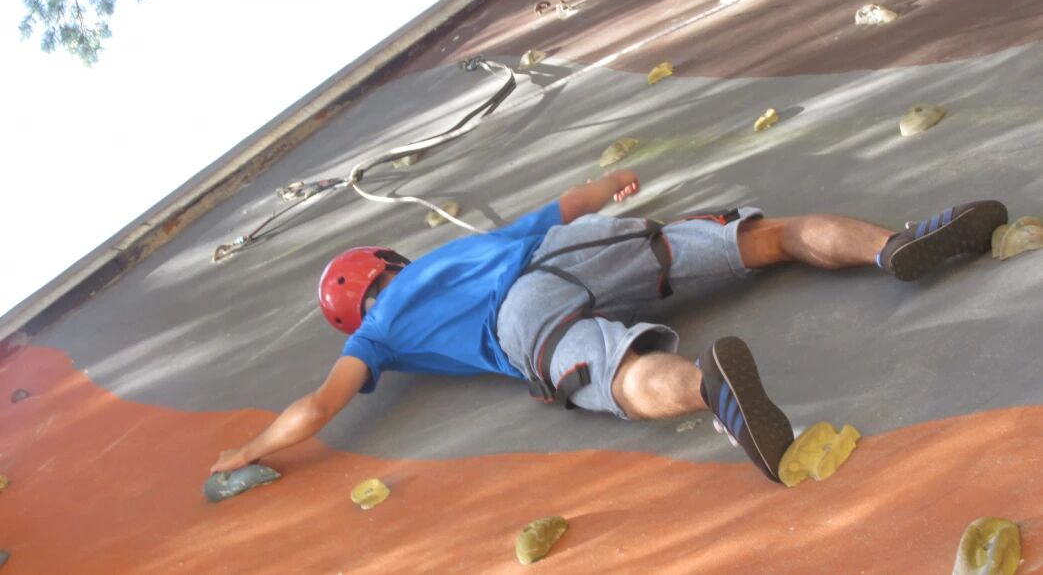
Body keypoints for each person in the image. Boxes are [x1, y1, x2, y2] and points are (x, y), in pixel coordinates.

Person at [210, 169, 1007, 482]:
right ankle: (892, 247)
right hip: (571, 248)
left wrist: (248, 449)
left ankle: (708, 386)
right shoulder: (453, 252)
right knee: (764, 236)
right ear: (389, 259)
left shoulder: (373, 335)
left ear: (353, 310)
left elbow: (317, 407)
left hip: (523, 320)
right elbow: (559, 207)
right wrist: (607, 185)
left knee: (615, 373)